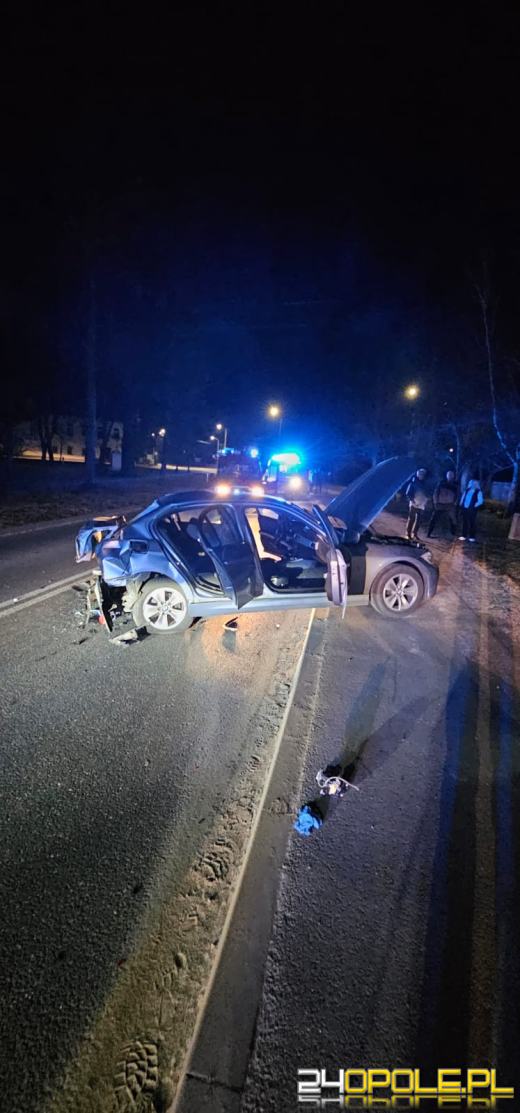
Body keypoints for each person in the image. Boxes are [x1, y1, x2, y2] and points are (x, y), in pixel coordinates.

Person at [427, 469, 458, 538]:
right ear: (447, 476)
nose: (450, 476)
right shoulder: (441, 483)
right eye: (449, 475)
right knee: (434, 519)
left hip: (450, 505)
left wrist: (455, 503)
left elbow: (457, 495)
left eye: (451, 475)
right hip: (440, 504)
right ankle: (429, 533)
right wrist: (435, 502)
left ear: (453, 476)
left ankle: (453, 534)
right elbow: (436, 493)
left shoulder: (455, 485)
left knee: (453, 519)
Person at [405, 467, 429, 540]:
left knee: (418, 520)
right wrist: (412, 500)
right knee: (411, 519)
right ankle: (408, 533)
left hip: (421, 504)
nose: (421, 475)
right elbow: (408, 493)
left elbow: (427, 493)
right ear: (417, 474)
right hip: (414, 503)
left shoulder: (425, 484)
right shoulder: (413, 483)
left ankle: (415, 533)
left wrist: (426, 500)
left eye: (423, 474)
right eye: (420, 474)